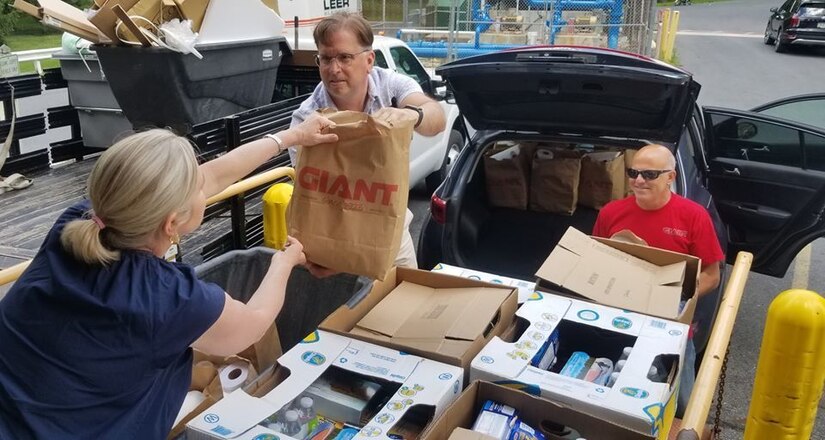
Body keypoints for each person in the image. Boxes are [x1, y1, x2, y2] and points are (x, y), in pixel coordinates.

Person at [0, 115, 338, 438]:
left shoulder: (76, 223)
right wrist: (285, 261)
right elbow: (253, 323)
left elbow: (215, 175)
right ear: (171, 223)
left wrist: (291, 137)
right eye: (196, 187)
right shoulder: (168, 298)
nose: (204, 185)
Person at [288, 12, 447, 276]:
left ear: (369, 59)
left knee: (404, 306)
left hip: (393, 238)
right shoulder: (307, 119)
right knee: (347, 316)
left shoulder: (391, 87)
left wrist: (412, 114)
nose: (334, 68)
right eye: (325, 58)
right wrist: (334, 255)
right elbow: (313, 194)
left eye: (344, 57)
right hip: (338, 240)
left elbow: (437, 118)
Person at [592, 143, 725, 418]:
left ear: (670, 177)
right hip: (619, 318)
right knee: (614, 391)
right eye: (633, 172)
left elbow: (712, 276)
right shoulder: (610, 213)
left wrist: (679, 300)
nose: (638, 180)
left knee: (682, 404)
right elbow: (597, 262)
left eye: (649, 175)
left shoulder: (693, 216)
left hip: (671, 325)